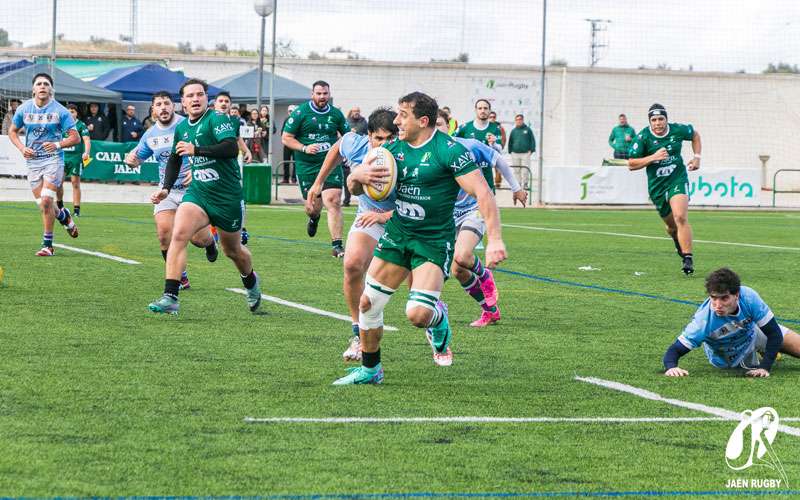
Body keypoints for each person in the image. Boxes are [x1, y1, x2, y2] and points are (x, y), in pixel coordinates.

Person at [332, 92, 507, 385]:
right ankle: (371, 369)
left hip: (433, 242)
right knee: (367, 304)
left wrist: (496, 239)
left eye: (403, 115)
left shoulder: (449, 151)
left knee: (417, 315)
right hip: (399, 235)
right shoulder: (393, 151)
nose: (397, 120)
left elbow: (483, 193)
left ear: (423, 121)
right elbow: (361, 190)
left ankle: (438, 320)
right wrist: (356, 177)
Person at [147, 79, 261, 315]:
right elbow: (175, 159)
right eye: (190, 96)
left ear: (207, 99)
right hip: (199, 193)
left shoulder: (217, 119)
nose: (195, 99)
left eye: (200, 94)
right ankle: (171, 296)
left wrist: (196, 150)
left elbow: (230, 148)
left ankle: (250, 281)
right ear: (183, 103)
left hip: (227, 197)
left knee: (233, 251)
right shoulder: (182, 128)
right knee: (178, 234)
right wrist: (166, 188)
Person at [306, 107, 398, 361]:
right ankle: (358, 334)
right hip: (370, 215)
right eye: (379, 138)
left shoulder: (405, 154)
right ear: (368, 136)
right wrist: (318, 182)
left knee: (419, 308)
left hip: (404, 220)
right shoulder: (355, 144)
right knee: (352, 264)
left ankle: (434, 319)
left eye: (391, 138)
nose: (385, 144)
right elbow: (337, 147)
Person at [436, 109, 526, 327]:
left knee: (463, 254)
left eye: (440, 124)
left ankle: (485, 276)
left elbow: (498, 160)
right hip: (447, 215)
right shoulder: (426, 154)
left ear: (449, 126)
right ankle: (490, 310)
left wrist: (516, 188)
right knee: (458, 270)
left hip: (473, 209)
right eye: (433, 125)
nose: (436, 129)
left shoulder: (467, 145)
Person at [125, 90, 218, 290]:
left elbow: (211, 150)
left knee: (197, 239)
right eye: (158, 104)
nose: (163, 107)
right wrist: (131, 161)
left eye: (166, 103)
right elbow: (137, 157)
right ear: (153, 110)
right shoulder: (150, 135)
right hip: (165, 191)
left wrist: (198, 169)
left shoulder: (188, 125)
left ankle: (210, 242)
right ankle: (180, 276)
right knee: (164, 234)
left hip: (192, 190)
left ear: (174, 105)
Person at [663, 268, 800, 378]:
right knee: (751, 366)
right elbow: (674, 350)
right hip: (732, 354)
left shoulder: (749, 297)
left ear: (737, 295)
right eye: (713, 298)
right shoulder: (703, 321)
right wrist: (671, 367)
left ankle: (764, 350)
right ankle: (762, 351)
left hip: (752, 331)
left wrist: (765, 367)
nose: (718, 305)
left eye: (724, 298)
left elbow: (774, 334)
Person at [7, 73, 80, 256]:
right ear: (33, 89)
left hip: (53, 160)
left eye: (46, 84)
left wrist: (56, 144)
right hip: (32, 162)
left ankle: (48, 245)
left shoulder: (60, 111)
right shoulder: (24, 109)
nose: (42, 86)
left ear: (50, 89)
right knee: (43, 205)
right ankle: (64, 217)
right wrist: (22, 148)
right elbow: (12, 131)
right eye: (39, 84)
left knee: (47, 199)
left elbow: (75, 137)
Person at [627, 103, 701, 275]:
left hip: (677, 179)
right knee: (672, 227)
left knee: (680, 217)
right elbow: (631, 164)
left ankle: (688, 258)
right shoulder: (643, 137)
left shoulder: (677, 130)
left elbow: (695, 135)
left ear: (666, 120)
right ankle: (677, 241)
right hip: (657, 186)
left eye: (661, 119)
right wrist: (653, 157)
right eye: (654, 120)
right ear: (650, 122)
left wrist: (697, 157)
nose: (658, 123)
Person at [282, 81, 348, 258]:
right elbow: (286, 138)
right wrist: (304, 147)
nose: (322, 97)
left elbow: (348, 137)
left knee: (333, 200)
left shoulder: (336, 114)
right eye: (318, 93)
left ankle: (337, 245)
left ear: (329, 94)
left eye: (325, 93)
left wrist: (348, 153)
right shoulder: (300, 113)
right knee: (312, 208)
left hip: (331, 164)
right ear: (312, 94)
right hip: (307, 166)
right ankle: (314, 218)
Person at [213, 91, 253, 245]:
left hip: (231, 166)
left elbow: (237, 138)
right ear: (215, 104)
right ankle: (214, 232)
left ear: (230, 104)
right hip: (213, 167)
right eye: (220, 101)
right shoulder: (209, 119)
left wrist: (246, 151)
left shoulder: (235, 120)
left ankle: (242, 229)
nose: (223, 103)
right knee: (213, 199)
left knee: (238, 197)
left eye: (226, 101)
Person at [56, 104, 91, 217]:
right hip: (62, 158)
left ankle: (76, 210)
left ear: (76, 113)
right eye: (68, 111)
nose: (71, 114)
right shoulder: (61, 124)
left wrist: (86, 152)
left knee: (75, 183)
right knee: (58, 183)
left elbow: (86, 140)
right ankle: (60, 207)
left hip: (76, 159)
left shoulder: (81, 125)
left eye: (73, 111)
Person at [507, 114, 536, 190]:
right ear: (515, 121)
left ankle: (525, 184)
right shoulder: (513, 131)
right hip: (515, 153)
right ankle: (518, 184)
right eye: (517, 120)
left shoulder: (528, 130)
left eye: (520, 119)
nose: (518, 121)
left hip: (525, 153)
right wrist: (510, 151)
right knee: (516, 170)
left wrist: (531, 150)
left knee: (525, 170)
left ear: (522, 120)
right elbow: (510, 141)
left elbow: (532, 140)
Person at [281, 104, 297, 183]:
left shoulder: (298, 119)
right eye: (290, 111)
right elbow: (282, 132)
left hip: (295, 144)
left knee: (295, 162)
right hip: (287, 144)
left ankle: (294, 178)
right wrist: (284, 140)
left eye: (292, 111)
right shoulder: (286, 119)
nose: (291, 112)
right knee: (285, 162)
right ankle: (285, 179)